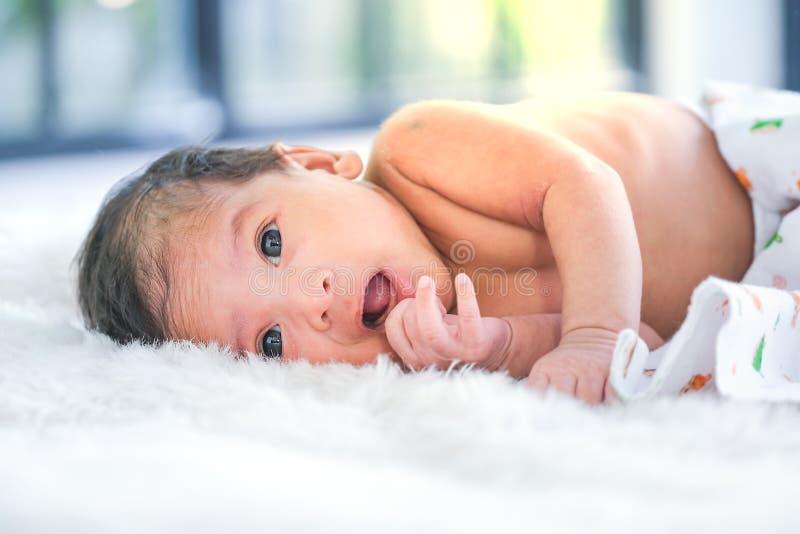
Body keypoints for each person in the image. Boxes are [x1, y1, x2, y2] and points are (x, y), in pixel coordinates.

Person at [77, 89, 757, 404]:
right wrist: (493, 347)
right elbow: (635, 336)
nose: (309, 303)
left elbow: (584, 184)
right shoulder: (421, 347)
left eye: (272, 242)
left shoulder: (417, 150)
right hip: (763, 283)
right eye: (270, 342)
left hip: (750, 168)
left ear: (317, 165)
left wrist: (593, 335)